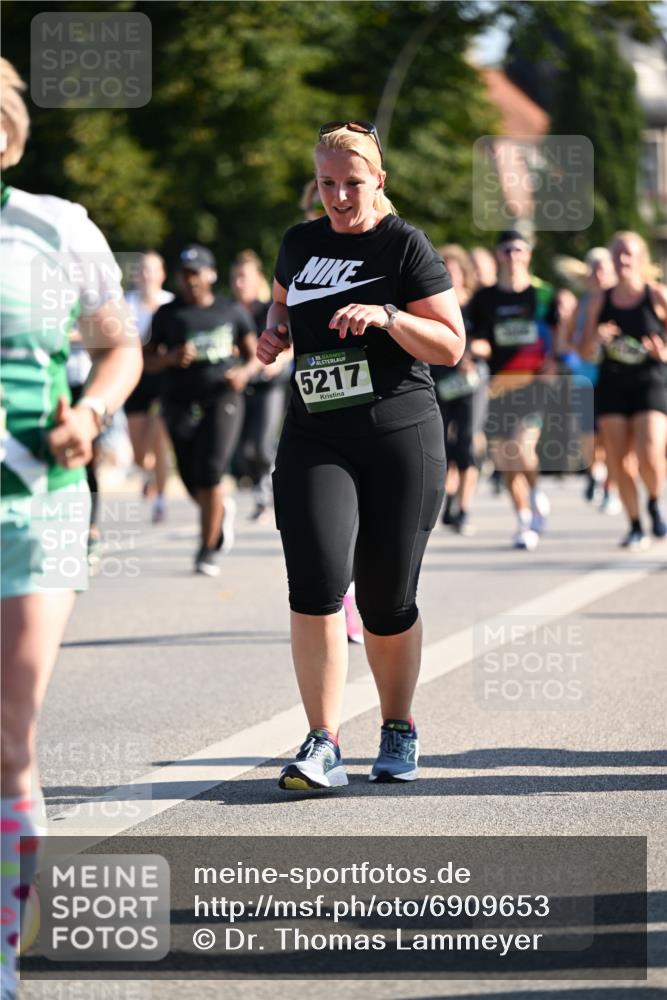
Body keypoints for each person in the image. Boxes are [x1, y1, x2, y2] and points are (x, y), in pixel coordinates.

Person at [257, 120, 465, 790]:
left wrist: (388, 317)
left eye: (352, 183)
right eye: (327, 185)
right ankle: (322, 741)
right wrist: (272, 336)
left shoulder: (404, 246)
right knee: (314, 584)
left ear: (378, 180)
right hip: (315, 432)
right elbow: (281, 307)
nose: (339, 197)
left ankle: (398, 725)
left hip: (396, 434)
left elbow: (450, 345)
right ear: (314, 184)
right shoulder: (298, 242)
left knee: (384, 600)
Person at [0, 59, 142, 1000]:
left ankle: (2, 948)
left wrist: (89, 415)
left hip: (33, 501)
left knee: (6, 733)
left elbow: (117, 345)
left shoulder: (55, 227)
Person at [144, 244, 258, 576]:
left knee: (210, 472)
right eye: (185, 274)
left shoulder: (230, 311)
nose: (190, 280)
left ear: (210, 274)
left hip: (222, 398)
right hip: (178, 400)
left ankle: (207, 550)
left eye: (196, 274)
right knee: (190, 476)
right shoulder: (168, 315)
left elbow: (254, 356)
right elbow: (146, 359)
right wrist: (169, 358)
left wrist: (242, 373)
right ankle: (219, 512)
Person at [469, 229, 558, 551]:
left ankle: (535, 493)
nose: (512, 256)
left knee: (522, 448)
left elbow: (557, 335)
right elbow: (477, 336)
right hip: (496, 385)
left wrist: (554, 361)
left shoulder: (543, 295)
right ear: (498, 255)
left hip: (532, 383)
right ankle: (523, 520)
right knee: (505, 459)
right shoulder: (485, 298)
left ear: (528, 254)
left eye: (518, 249)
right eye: (506, 250)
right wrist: (476, 349)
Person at [582, 231, 667, 549]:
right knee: (618, 461)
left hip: (650, 381)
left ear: (642, 260)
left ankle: (655, 501)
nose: (623, 260)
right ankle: (634, 524)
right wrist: (598, 337)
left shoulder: (656, 295)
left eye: (629, 254)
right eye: (617, 254)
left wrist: (663, 354)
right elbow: (583, 349)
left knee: (649, 455)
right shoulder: (600, 300)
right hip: (613, 384)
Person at [231, 249, 292, 522]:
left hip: (270, 386)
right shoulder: (229, 312)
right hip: (242, 387)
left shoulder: (268, 310)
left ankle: (269, 492)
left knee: (261, 444)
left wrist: (278, 361)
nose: (239, 283)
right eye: (236, 278)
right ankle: (260, 488)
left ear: (258, 280)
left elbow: (291, 343)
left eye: (245, 277)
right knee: (244, 450)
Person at [431, 244, 486, 536]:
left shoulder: (477, 303)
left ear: (464, 273)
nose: (450, 276)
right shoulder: (432, 304)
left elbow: (490, 343)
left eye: (454, 270)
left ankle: (463, 508)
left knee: (465, 443)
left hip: (471, 380)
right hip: (440, 377)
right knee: (442, 445)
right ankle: (450, 498)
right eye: (444, 270)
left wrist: (471, 352)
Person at [568, 247, 621, 512]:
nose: (599, 275)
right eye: (595, 269)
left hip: (615, 379)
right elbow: (570, 342)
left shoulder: (620, 302)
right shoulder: (582, 305)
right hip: (586, 378)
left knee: (611, 437)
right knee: (589, 436)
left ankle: (610, 488)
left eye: (604, 269)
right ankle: (593, 471)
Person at [124, 251, 174, 523]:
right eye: (141, 270)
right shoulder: (125, 303)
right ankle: (149, 472)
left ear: (162, 274)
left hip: (165, 379)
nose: (146, 275)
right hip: (134, 378)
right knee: (139, 455)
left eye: (151, 270)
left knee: (159, 438)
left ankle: (161, 501)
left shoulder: (171, 304)